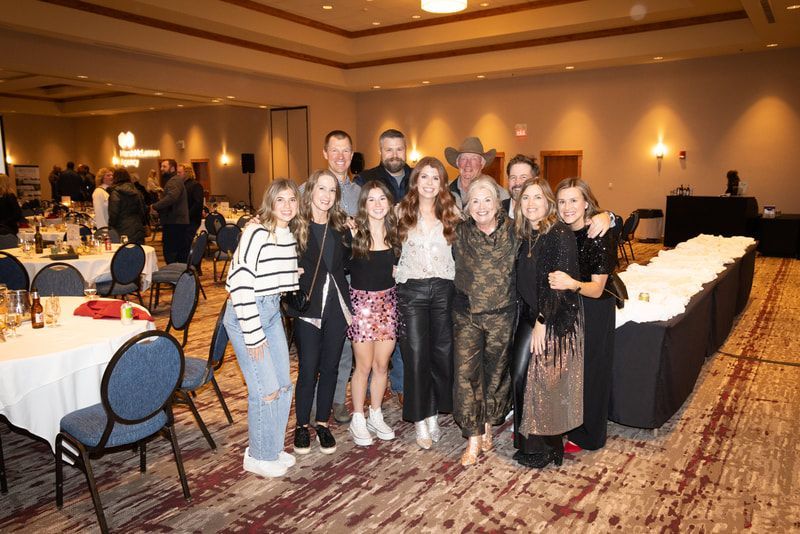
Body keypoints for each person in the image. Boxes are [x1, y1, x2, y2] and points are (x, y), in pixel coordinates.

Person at [223, 178, 301, 478]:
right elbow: (240, 283)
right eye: (280, 199)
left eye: (292, 199)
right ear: (270, 202)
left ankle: (273, 447)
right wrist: (253, 336)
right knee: (265, 389)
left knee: (283, 385)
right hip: (247, 314)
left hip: (270, 310)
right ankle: (257, 455)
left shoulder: (288, 233)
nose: (287, 205)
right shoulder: (256, 232)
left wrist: (293, 274)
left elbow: (274, 272)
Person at [511, 177, 583, 469]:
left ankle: (547, 447)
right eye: (526, 197)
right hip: (529, 314)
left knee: (545, 383)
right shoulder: (526, 233)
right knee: (519, 376)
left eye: (537, 197)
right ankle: (528, 443)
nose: (531, 203)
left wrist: (543, 320)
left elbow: (558, 284)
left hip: (552, 318)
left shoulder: (558, 234)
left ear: (548, 202)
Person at [395, 156, 461, 449]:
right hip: (412, 292)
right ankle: (420, 419)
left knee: (442, 355)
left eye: (436, 178)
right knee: (415, 355)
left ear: (442, 183)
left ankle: (433, 412)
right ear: (416, 180)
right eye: (424, 176)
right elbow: (376, 237)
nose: (430, 183)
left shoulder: (452, 212)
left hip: (445, 290)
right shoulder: (400, 212)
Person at [286, 169, 353, 455]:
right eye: (321, 189)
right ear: (311, 191)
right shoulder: (295, 226)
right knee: (308, 368)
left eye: (332, 190)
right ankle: (302, 425)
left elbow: (348, 262)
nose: (326, 195)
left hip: (337, 306)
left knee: (330, 367)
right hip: (308, 306)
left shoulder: (342, 227)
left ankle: (322, 423)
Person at [452, 176, 517, 466]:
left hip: (503, 313)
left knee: (496, 373)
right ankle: (473, 436)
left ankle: (489, 423)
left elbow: (553, 226)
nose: (481, 206)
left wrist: (608, 218)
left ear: (498, 204)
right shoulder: (458, 231)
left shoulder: (515, 230)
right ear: (467, 207)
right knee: (466, 375)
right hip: (467, 314)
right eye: (475, 201)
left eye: (487, 199)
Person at [550, 178, 617, 453]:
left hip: (594, 308)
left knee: (591, 371)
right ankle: (569, 423)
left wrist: (571, 284)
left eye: (573, 200)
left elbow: (598, 288)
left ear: (586, 203)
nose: (567, 207)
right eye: (562, 201)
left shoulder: (598, 234)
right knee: (570, 369)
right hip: (570, 305)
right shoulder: (560, 232)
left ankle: (589, 436)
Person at [354, 128, 413, 406]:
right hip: (365, 286)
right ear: (380, 151)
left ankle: (399, 385)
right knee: (365, 359)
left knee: (398, 340)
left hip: (402, 269)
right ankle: (367, 397)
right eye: (388, 149)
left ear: (406, 150)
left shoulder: (417, 178)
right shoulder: (365, 179)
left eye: (399, 149)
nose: (394, 154)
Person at [306, 130, 361, 424]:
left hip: (347, 280)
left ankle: (337, 399)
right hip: (315, 283)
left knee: (343, 347)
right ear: (325, 153)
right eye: (335, 150)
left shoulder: (359, 193)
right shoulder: (307, 188)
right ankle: (315, 401)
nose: (341, 156)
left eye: (346, 151)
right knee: (314, 348)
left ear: (352, 155)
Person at [346, 180, 400, 446]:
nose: (378, 204)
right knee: (363, 366)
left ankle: (375, 414)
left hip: (388, 306)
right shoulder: (353, 234)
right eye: (371, 199)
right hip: (362, 307)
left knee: (381, 365)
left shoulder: (397, 235)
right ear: (364, 205)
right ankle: (358, 417)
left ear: (389, 203)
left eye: (382, 199)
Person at [444, 137, 508, 209]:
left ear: (482, 164)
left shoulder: (499, 194)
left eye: (474, 158)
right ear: (457, 163)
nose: (468, 164)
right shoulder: (444, 192)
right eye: (464, 158)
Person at [151, 159, 189, 263]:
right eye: (161, 166)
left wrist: (155, 206)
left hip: (175, 222)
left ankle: (173, 271)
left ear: (172, 168)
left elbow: (172, 197)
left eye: (164, 166)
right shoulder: (173, 180)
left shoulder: (174, 181)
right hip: (175, 221)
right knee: (176, 252)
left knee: (171, 253)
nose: (161, 169)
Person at [108, 168, 147, 244]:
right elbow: (143, 210)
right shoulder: (136, 191)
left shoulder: (115, 193)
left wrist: (111, 226)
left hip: (122, 227)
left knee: (124, 249)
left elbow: (114, 213)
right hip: (137, 225)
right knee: (138, 248)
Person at [501, 154, 539, 218]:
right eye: (513, 177)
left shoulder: (542, 212)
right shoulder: (497, 210)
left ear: (535, 180)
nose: (517, 182)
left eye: (523, 177)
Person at [180, 162, 205, 245]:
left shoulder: (196, 185)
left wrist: (187, 215)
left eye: (179, 172)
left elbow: (198, 203)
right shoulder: (182, 185)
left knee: (188, 244)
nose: (177, 175)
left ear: (186, 173)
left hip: (191, 220)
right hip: (184, 220)